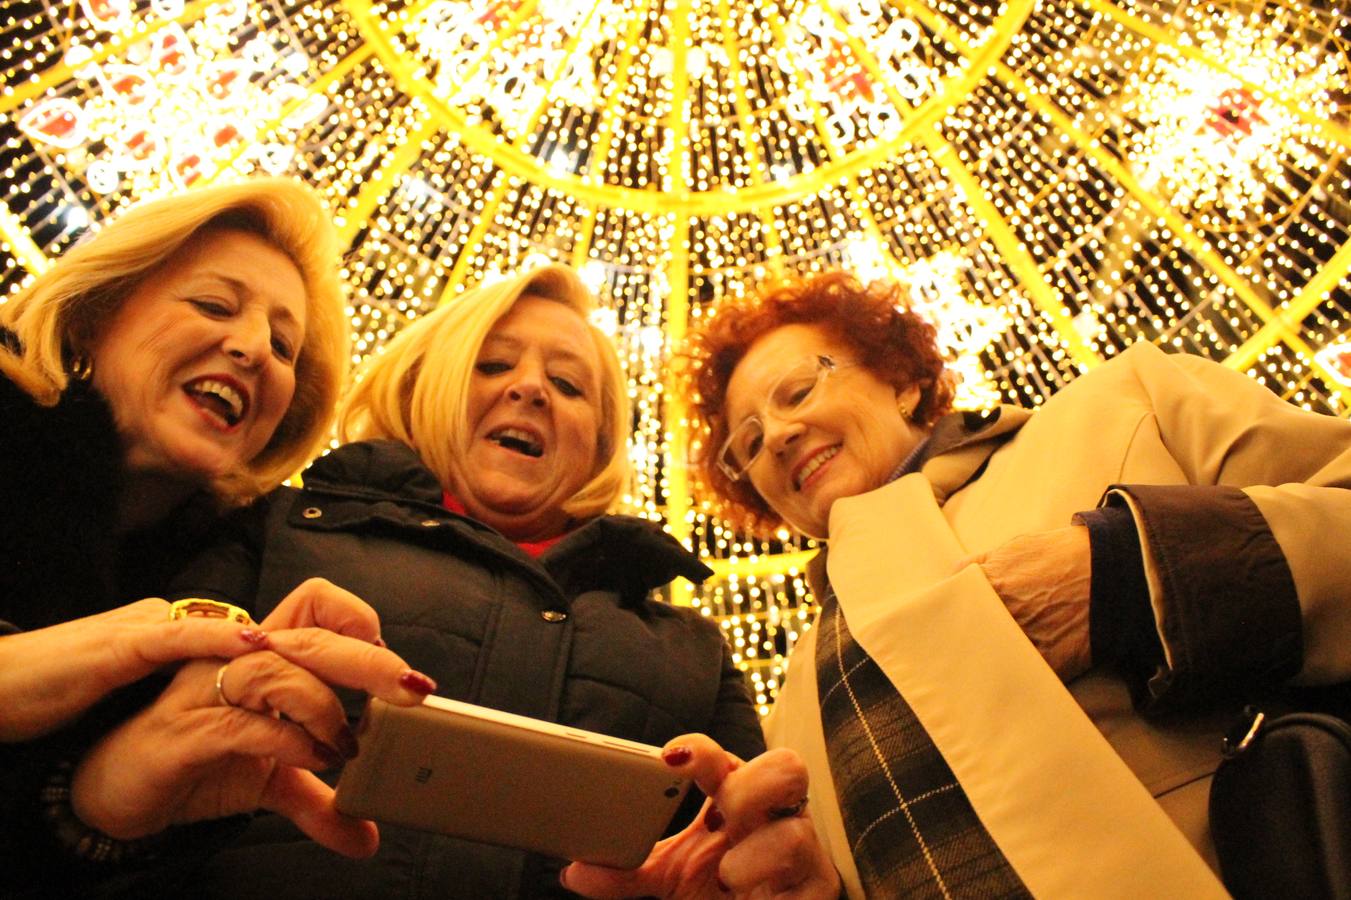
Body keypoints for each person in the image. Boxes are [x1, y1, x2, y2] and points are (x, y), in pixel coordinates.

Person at [564, 269, 1351, 898]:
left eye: (797, 392)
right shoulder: (796, 696)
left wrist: (1129, 573)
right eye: (746, 442)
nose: (775, 434)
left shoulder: (1124, 404)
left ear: (900, 379)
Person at [145, 262, 764, 898]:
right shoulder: (277, 530)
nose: (530, 389)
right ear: (426, 389)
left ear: (600, 440)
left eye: (568, 385)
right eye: (493, 365)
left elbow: (753, 846)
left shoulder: (695, 651)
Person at [0, 179, 438, 897]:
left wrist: (97, 810)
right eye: (213, 305)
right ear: (91, 315)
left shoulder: (221, 586)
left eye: (283, 344)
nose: (253, 349)